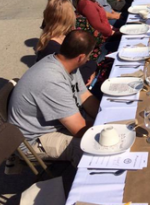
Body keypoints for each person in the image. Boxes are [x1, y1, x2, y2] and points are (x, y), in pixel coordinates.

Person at [8, 30, 99, 166]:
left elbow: (85, 97)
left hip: (55, 124)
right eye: (88, 57)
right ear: (81, 57)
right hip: (33, 140)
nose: (88, 60)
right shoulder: (52, 80)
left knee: (101, 130)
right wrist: (110, 131)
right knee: (91, 147)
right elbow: (79, 129)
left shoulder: (66, 62)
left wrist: (109, 118)